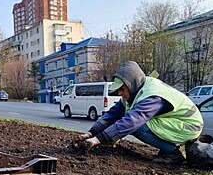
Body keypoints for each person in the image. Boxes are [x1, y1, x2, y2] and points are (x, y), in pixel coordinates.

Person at [74, 61, 203, 164]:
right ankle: (167, 150)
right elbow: (112, 114)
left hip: (189, 126)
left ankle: (172, 154)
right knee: (131, 121)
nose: (119, 93)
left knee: (137, 126)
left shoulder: (152, 96)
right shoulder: (134, 91)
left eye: (122, 89)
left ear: (131, 84)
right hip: (176, 122)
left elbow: (131, 121)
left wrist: (98, 140)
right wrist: (90, 133)